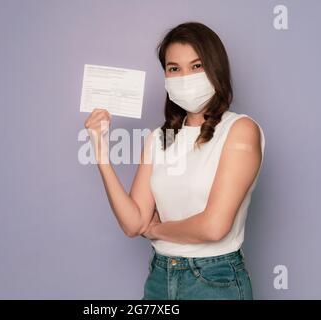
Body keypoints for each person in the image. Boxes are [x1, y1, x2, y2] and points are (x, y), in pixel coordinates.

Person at [83, 21, 265, 300]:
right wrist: (100, 152)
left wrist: (156, 229)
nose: (185, 77)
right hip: (159, 276)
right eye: (174, 68)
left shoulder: (240, 130)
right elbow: (133, 223)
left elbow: (214, 226)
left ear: (216, 69)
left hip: (215, 279)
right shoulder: (159, 137)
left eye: (197, 66)